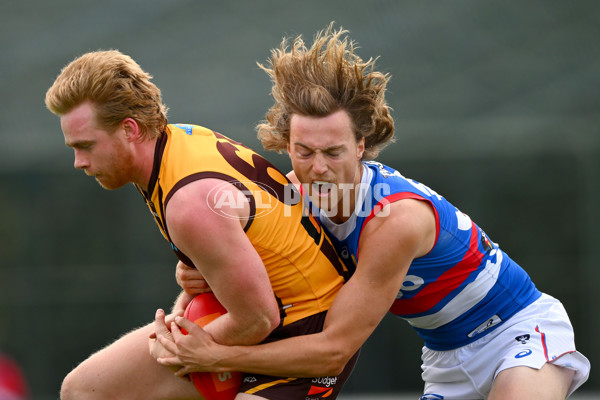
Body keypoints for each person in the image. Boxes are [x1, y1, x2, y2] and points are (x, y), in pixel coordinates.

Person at [154, 24, 591, 399]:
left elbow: (332, 350)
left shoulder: (393, 220)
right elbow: (252, 274)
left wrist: (219, 356)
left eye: (334, 151)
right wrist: (205, 271)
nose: (318, 167)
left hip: (516, 331)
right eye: (303, 151)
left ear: (361, 146)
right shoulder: (284, 198)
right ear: (286, 146)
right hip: (443, 353)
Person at [44, 49, 358, 400]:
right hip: (258, 316)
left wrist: (176, 347)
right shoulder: (178, 140)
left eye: (86, 146)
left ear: (129, 130)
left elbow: (257, 319)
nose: (79, 162)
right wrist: (183, 311)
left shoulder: (190, 204)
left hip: (303, 338)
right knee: (84, 390)